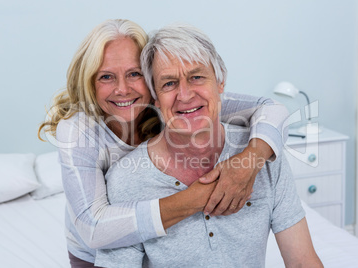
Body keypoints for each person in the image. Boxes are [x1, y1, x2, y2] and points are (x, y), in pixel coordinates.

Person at [38, 19, 290, 267]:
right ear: (89, 82)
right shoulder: (78, 131)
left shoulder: (175, 103)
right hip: (95, 253)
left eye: (134, 74)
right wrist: (204, 195)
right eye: (106, 77)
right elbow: (93, 229)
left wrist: (247, 164)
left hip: (158, 242)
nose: (122, 89)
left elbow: (272, 109)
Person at [95, 23, 323, 267]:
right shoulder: (126, 180)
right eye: (169, 83)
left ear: (220, 82)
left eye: (196, 77)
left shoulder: (264, 155)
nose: (185, 94)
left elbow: (302, 261)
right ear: (156, 99)